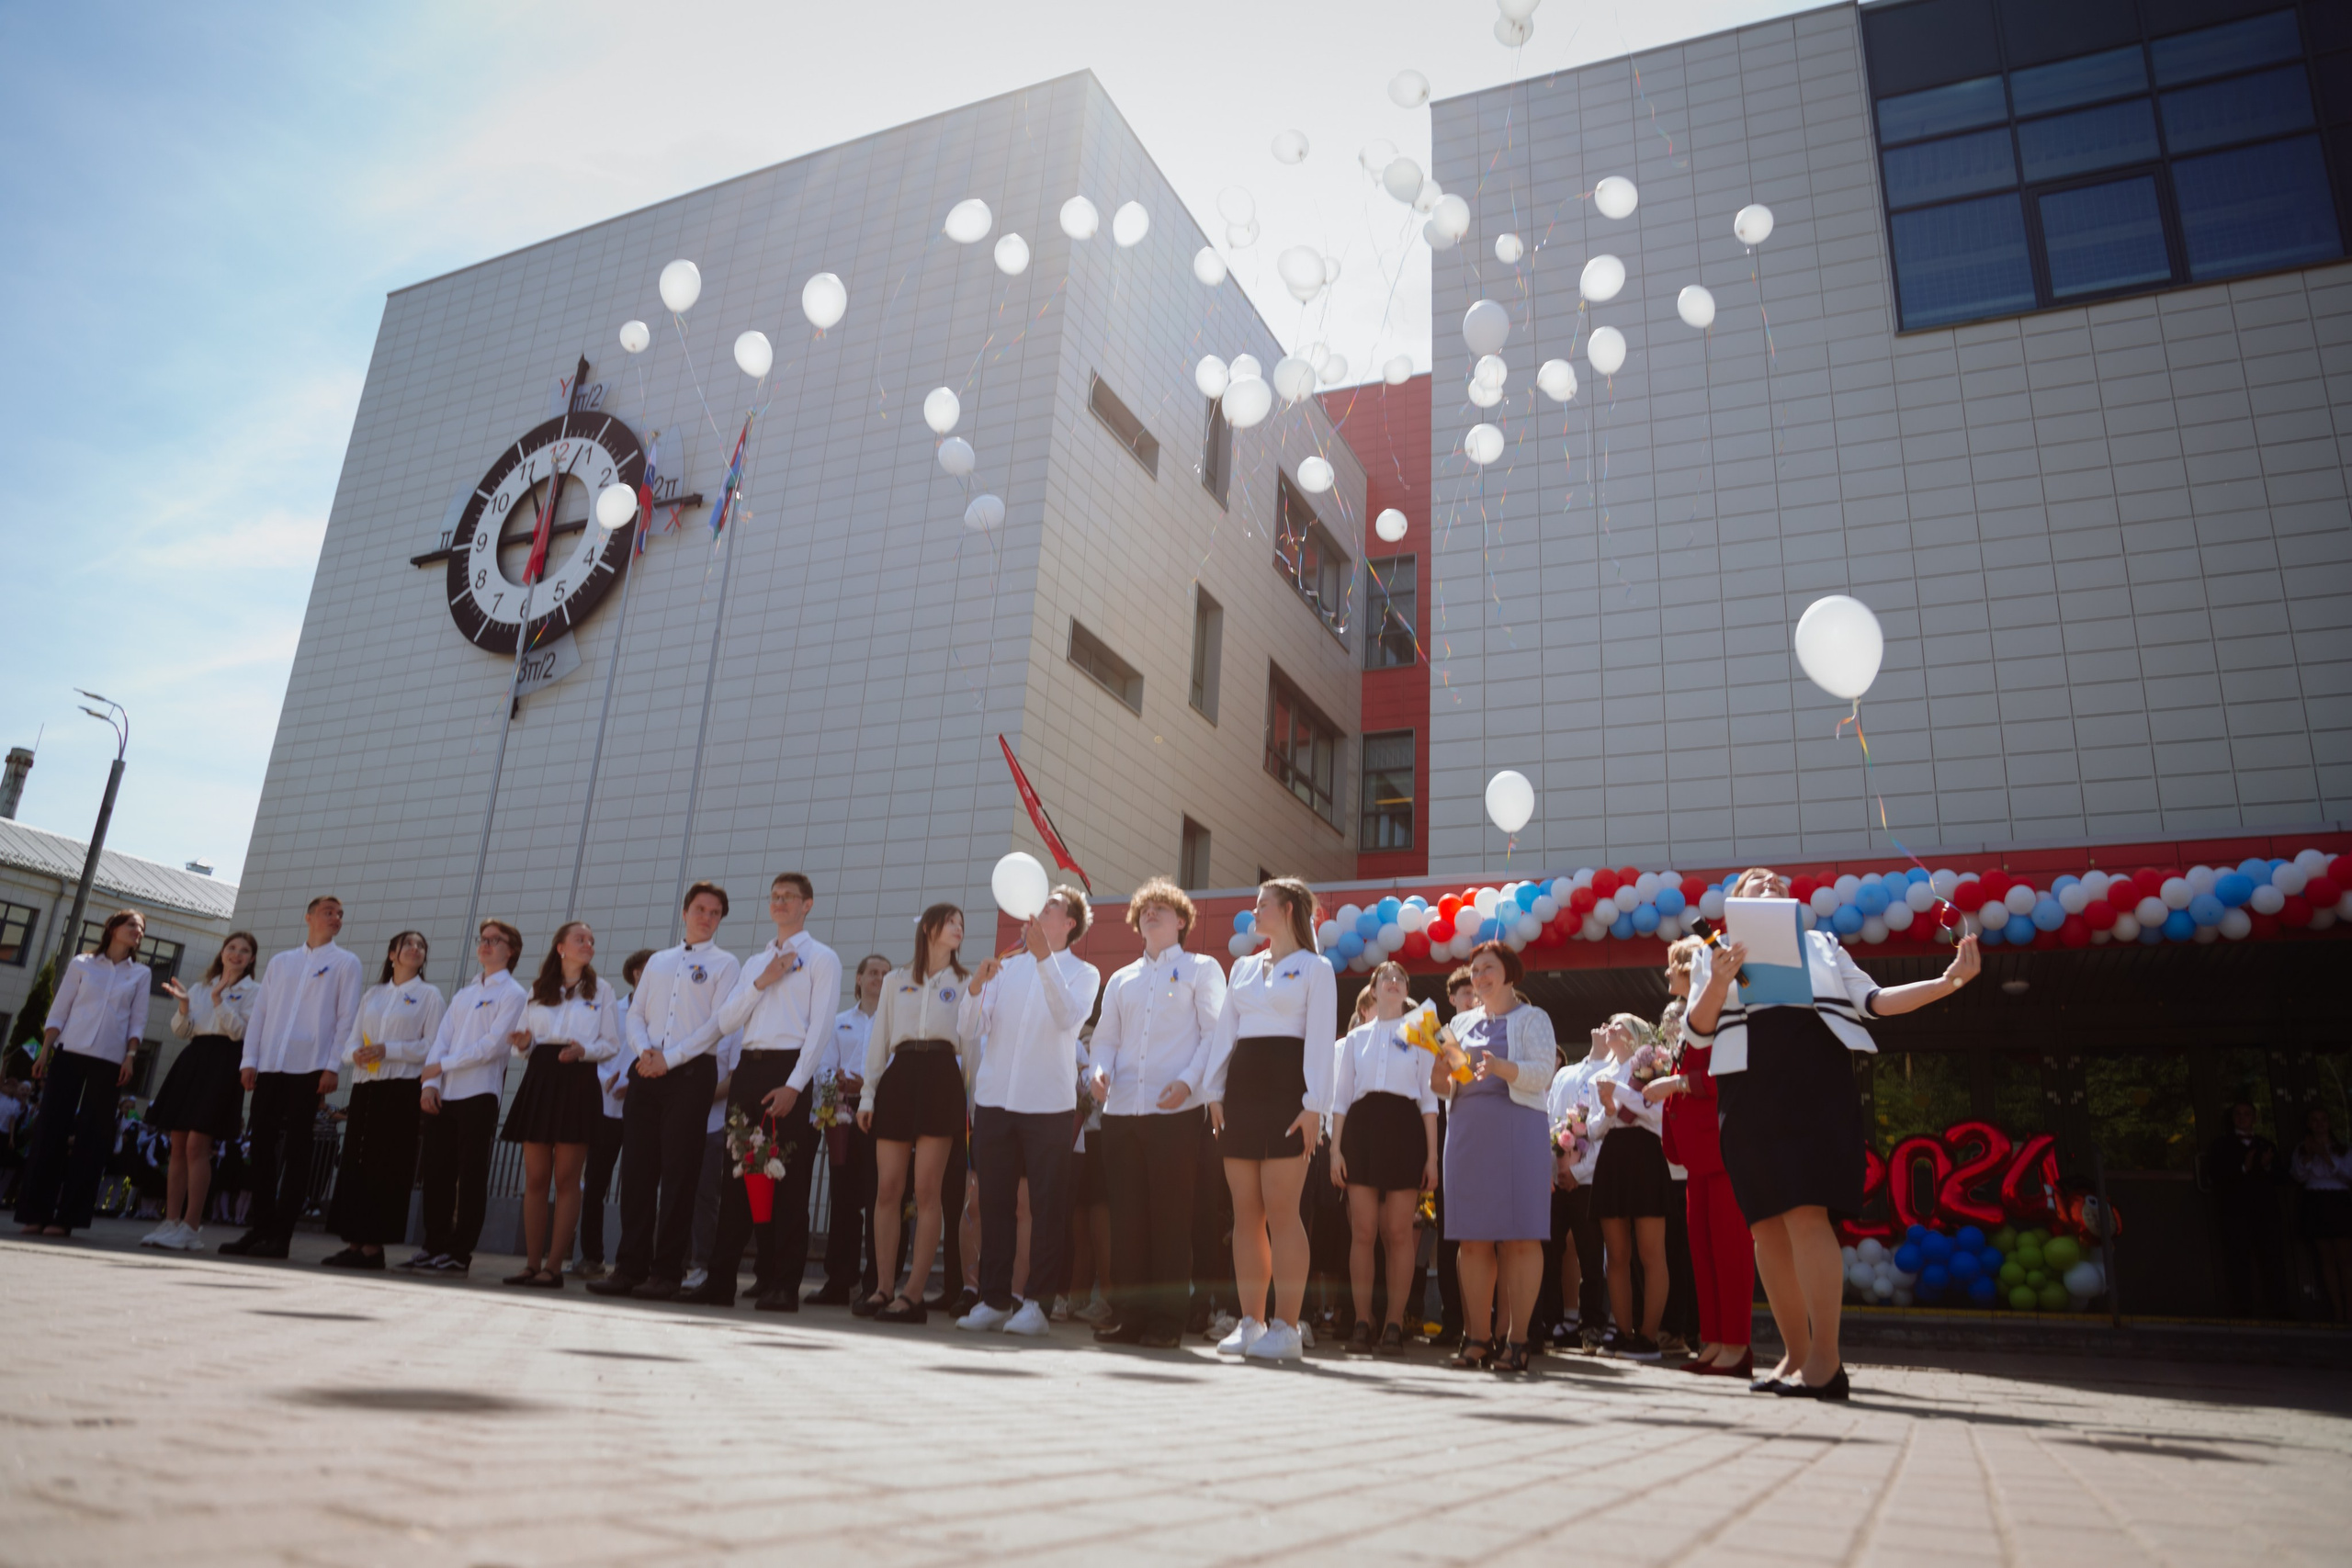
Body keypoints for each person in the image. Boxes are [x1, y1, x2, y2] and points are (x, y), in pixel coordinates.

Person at [1686, 865, 1980, 1400]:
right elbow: (1698, 1030)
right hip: (1746, 1089)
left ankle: (1826, 1361)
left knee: (1805, 1211)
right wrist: (1722, 979)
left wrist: (1948, 982)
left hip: (1813, 1079)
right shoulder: (1716, 948)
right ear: (1735, 900)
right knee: (1766, 1227)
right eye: (1757, 881)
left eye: (1778, 881)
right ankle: (1795, 1356)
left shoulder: (1821, 943)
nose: (1771, 883)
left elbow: (1876, 1001)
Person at [689, 874, 843, 1311]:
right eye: (774, 897)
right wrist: (765, 979)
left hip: (788, 1068)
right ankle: (719, 1281)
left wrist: (795, 1085)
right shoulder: (756, 962)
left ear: (806, 904)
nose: (779, 903)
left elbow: (819, 1028)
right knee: (736, 1178)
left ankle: (783, 1285)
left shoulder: (821, 958)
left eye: (788, 897)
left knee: (788, 1184)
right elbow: (727, 1021)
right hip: (749, 1071)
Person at [956, 886, 1102, 1337]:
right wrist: (976, 988)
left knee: (1045, 1207)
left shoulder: (1084, 972)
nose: (1037, 912)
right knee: (994, 1204)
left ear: (1069, 923)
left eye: (1051, 907)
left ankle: (1036, 1303)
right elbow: (968, 1028)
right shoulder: (1006, 968)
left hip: (1048, 1105)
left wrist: (1042, 960)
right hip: (996, 1100)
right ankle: (994, 1300)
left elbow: (1067, 1021)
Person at [1203, 876, 1337, 1363]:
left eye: (1262, 905)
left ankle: (1287, 1327)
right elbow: (1225, 1033)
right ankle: (1251, 1323)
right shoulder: (1241, 966)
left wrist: (1314, 1105)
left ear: (1288, 910)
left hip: (1289, 1094)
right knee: (1245, 1215)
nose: (1254, 912)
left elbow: (1322, 1040)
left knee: (1283, 1212)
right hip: (1242, 1091)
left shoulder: (1316, 969)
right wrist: (1213, 1092)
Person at [1088, 878, 1226, 1348]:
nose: (1151, 913)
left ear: (1181, 920)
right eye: (1145, 908)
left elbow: (1215, 1035)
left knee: (1170, 1220)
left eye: (1162, 909)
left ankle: (1168, 1321)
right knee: (1127, 1219)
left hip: (1177, 1114)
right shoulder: (1122, 978)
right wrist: (1098, 1070)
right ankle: (1129, 1315)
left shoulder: (1202, 969)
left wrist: (1189, 1081)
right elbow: (1104, 1038)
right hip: (1122, 1111)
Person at [590, 884, 741, 1300]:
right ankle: (628, 1268)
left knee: (679, 1176)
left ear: (720, 919)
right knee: (637, 1173)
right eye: (699, 909)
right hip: (647, 1070)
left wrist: (669, 1059)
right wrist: (644, 1052)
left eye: (714, 912)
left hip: (691, 1075)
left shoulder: (726, 965)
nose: (705, 917)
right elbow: (636, 1013)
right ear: (684, 911)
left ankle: (666, 1272)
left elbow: (718, 1025)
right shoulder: (658, 961)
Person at [1430, 941, 1556, 1373]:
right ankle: (1477, 1338)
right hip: (1467, 1134)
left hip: (1518, 1132)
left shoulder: (1533, 1017)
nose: (1479, 976)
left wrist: (1502, 1067)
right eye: (1474, 969)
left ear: (1509, 973)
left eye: (1488, 968)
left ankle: (1518, 1340)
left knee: (1521, 1238)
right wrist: (1438, 1072)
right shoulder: (1457, 1023)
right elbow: (1443, 1087)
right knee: (1472, 1238)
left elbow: (1543, 1073)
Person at [857, 905, 979, 1325]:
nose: (959, 928)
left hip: (943, 1076)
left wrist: (974, 1106)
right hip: (900, 1076)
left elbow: (971, 1046)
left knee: (928, 1192)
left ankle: (913, 1295)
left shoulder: (965, 983)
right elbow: (879, 1040)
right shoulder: (895, 980)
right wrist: (868, 1096)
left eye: (962, 924)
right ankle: (883, 1287)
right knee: (888, 1189)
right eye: (951, 922)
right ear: (929, 928)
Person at [221, 897, 363, 1258]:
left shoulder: (346, 963)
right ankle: (259, 1228)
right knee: (262, 1147)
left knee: (298, 1152)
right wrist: (249, 1060)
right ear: (309, 917)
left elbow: (346, 1018)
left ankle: (281, 1236)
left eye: (340, 915)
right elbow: (262, 1013)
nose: (336, 918)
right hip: (270, 1065)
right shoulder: (282, 962)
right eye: (329, 912)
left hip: (311, 1067)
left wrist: (333, 1066)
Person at [1646, 944, 1753, 1374]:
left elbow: (1725, 1075)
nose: (1670, 975)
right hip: (1696, 1155)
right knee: (1703, 1252)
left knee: (1729, 1251)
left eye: (1675, 967)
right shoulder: (1688, 1018)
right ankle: (1713, 1342)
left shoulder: (1724, 1012)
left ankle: (1737, 1345)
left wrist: (1675, 1084)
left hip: (1722, 1150)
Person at [499, 921, 623, 1288]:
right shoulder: (538, 990)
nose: (588, 944)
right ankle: (531, 1263)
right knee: (535, 1178)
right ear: (561, 948)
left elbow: (611, 1044)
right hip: (540, 1078)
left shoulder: (602, 990)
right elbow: (520, 1047)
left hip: (577, 1079)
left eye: (592, 940)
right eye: (580, 939)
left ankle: (554, 1267)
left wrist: (585, 1051)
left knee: (567, 1179)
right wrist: (522, 1043)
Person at [402, 920, 528, 1276]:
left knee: (470, 1177)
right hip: (446, 1094)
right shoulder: (464, 993)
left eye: (495, 941)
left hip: (479, 1093)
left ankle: (459, 1253)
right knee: (436, 1174)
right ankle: (433, 1245)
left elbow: (492, 1047)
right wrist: (431, 1084)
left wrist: (442, 1065)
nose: (486, 945)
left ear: (512, 950)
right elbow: (442, 1039)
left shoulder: (514, 994)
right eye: (483, 940)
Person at [16, 909, 152, 1237]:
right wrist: (45, 1050)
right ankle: (36, 1212)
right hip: (69, 1053)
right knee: (50, 1130)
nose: (138, 931)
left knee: (93, 1138)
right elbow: (60, 1008)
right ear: (113, 928)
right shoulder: (81, 964)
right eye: (132, 925)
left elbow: (137, 1020)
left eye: (142, 928)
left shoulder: (141, 974)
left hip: (110, 1060)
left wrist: (130, 1057)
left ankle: (67, 1218)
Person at [1329, 960, 1439, 1356]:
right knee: (1363, 1231)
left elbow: (1430, 1099)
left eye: (1400, 978)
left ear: (1406, 990)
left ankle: (1394, 1322)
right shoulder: (1356, 1038)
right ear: (1373, 991)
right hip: (1360, 1131)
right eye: (1385, 979)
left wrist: (1432, 1157)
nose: (1393, 982)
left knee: (1397, 1233)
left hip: (1405, 1129)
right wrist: (1335, 1149)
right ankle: (1363, 1320)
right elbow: (1341, 1099)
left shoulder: (1424, 1028)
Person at [321, 932, 444, 1269]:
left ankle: (374, 1247)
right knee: (356, 1163)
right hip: (366, 1087)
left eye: (421, 946)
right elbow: (351, 1039)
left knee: (387, 1165)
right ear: (392, 954)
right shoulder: (373, 995)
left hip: (400, 1089)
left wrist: (390, 1050)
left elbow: (432, 1046)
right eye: (408, 944)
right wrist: (353, 1056)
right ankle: (354, 1241)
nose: (415, 949)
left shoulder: (429, 996)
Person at [144, 931, 261, 1251]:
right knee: (178, 1144)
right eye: (232, 948)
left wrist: (219, 1002)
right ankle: (171, 1222)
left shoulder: (254, 991)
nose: (236, 954)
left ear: (251, 959)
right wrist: (184, 1006)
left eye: (244, 951)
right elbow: (184, 1031)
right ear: (222, 953)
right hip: (194, 1060)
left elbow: (241, 1033)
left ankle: (191, 1226)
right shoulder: (199, 987)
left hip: (224, 1064)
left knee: (198, 1145)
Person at [1590, 1012, 1671, 1359]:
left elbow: (1656, 1113)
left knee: (1651, 1253)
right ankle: (1623, 1333)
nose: (1609, 1028)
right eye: (1607, 1024)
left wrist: (1620, 1093)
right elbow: (1594, 1128)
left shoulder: (1652, 1063)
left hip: (1646, 1156)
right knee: (1617, 1255)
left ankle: (1649, 1337)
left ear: (1637, 1034)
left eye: (1618, 1023)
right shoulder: (1602, 1074)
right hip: (1613, 1157)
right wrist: (1609, 1109)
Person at [811, 953, 888, 1304]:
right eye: (873, 972)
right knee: (843, 1201)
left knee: (880, 1200)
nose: (879, 978)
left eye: (886, 974)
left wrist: (871, 1088)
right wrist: (838, 1087)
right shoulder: (838, 1022)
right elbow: (823, 1068)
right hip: (844, 1114)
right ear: (858, 979)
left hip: (881, 1117)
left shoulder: (896, 1025)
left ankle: (875, 1283)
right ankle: (839, 1281)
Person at [575, 948, 652, 1280]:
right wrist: (609, 1080)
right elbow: (594, 1050)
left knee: (639, 1188)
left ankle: (635, 1260)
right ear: (635, 973)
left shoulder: (661, 1013)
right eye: (647, 968)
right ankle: (591, 1256)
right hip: (606, 1109)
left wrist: (635, 1086)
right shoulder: (613, 1009)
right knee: (594, 1185)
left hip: (643, 1110)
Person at [1544, 1026, 1610, 1349]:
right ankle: (1551, 1320)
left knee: (1591, 1254)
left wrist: (1579, 1171)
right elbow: (1550, 1120)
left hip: (1590, 1183)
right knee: (1549, 1251)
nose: (1603, 1027)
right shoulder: (1565, 1073)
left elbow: (1605, 1130)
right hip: (1556, 1181)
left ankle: (1593, 1322)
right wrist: (1555, 1169)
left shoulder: (1614, 1073)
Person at [2205, 1099, 2290, 1319]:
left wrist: (2267, 1165)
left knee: (2272, 1259)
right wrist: (2244, 1167)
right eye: (2238, 1114)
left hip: (2266, 1212)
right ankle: (2242, 1311)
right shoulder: (2222, 1145)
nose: (2242, 1118)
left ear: (2254, 1118)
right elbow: (2216, 1175)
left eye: (2247, 1114)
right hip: (2236, 1212)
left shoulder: (2266, 1144)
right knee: (2237, 1261)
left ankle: (2280, 1310)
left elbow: (2282, 1178)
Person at [2290, 1107, 2351, 1323]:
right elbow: (2298, 1176)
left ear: (2329, 1123)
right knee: (2326, 1259)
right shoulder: (2302, 1148)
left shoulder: (2342, 1148)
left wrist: (2325, 1156)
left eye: (2323, 1119)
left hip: (2338, 1200)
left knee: (2345, 1259)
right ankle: (2338, 1310)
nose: (2319, 1124)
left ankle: (2350, 1308)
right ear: (2308, 1124)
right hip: (2316, 1201)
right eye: (2314, 1120)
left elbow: (2348, 1175)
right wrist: (2309, 1155)